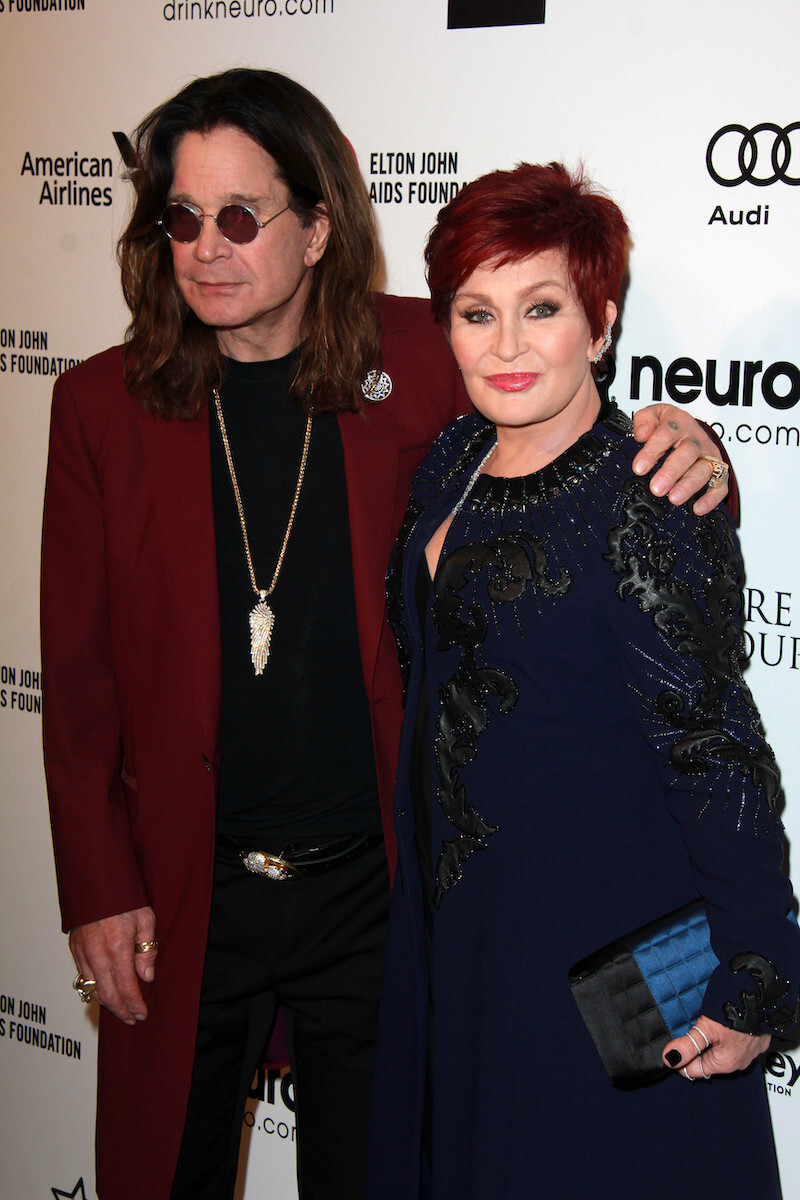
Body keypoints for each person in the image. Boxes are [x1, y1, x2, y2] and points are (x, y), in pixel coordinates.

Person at [40, 70, 733, 1200]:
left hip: (376, 891)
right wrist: (98, 885)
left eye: (239, 217)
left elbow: (573, 433)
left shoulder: (428, 356)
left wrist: (692, 449)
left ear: (316, 229)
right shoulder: (101, 407)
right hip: (181, 891)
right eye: (179, 218)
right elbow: (72, 683)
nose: (205, 247)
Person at [366, 162, 800, 1200]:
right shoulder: (450, 457)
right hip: (458, 932)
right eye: (476, 311)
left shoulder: (645, 494)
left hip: (591, 944)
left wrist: (754, 979)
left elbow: (714, 750)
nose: (506, 343)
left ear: (600, 322)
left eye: (541, 307)